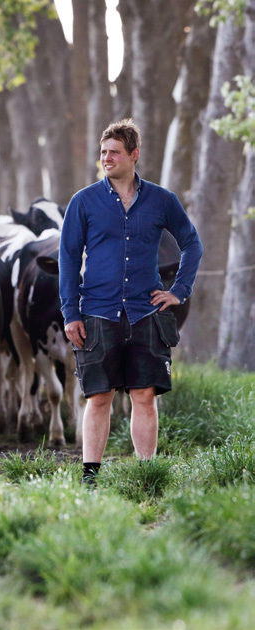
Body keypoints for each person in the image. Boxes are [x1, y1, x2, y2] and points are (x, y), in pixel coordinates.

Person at [59, 119, 203, 487]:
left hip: (146, 312)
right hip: (97, 312)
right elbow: (69, 259)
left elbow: (192, 243)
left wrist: (179, 290)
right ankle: (91, 477)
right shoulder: (84, 202)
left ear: (134, 155)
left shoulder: (161, 200)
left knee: (143, 395)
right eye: (103, 152)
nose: (106, 158)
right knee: (100, 396)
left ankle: (146, 474)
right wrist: (70, 313)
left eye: (114, 152)